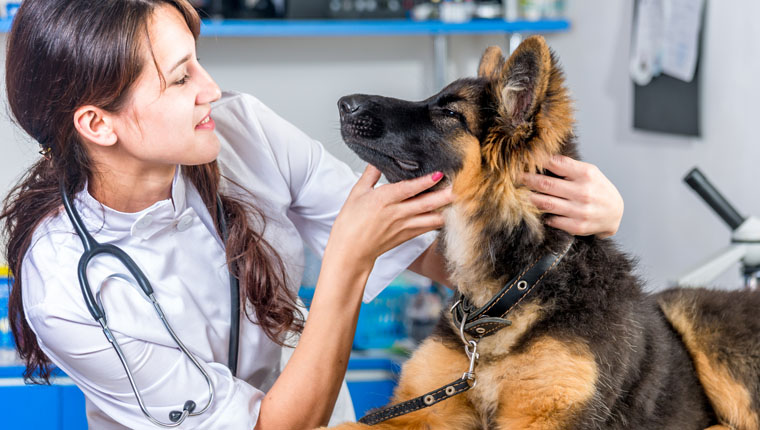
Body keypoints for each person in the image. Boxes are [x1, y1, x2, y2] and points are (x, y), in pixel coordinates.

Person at [0, 0, 624, 428]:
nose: (211, 89)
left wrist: (573, 222)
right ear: (95, 123)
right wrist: (346, 265)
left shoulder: (240, 129)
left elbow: (445, 248)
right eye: (179, 77)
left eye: (199, 60)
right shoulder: (69, 289)